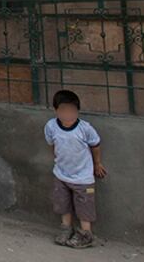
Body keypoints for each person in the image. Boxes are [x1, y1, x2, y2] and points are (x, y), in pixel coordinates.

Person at [45, 89, 106, 248]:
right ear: (56, 111)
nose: (68, 115)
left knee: (84, 205)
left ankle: (86, 234)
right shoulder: (51, 126)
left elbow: (95, 145)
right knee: (63, 203)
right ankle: (66, 228)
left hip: (83, 176)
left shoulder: (85, 129)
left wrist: (97, 163)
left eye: (71, 110)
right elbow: (52, 145)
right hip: (61, 174)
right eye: (63, 110)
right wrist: (57, 160)